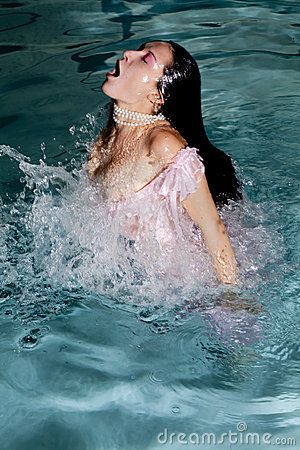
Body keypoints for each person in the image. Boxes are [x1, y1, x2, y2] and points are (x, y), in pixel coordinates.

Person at [86, 40, 243, 286]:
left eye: (146, 59)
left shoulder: (163, 145)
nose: (128, 54)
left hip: (184, 283)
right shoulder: (104, 141)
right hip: (134, 277)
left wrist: (232, 297)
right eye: (138, 50)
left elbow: (214, 230)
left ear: (157, 95)